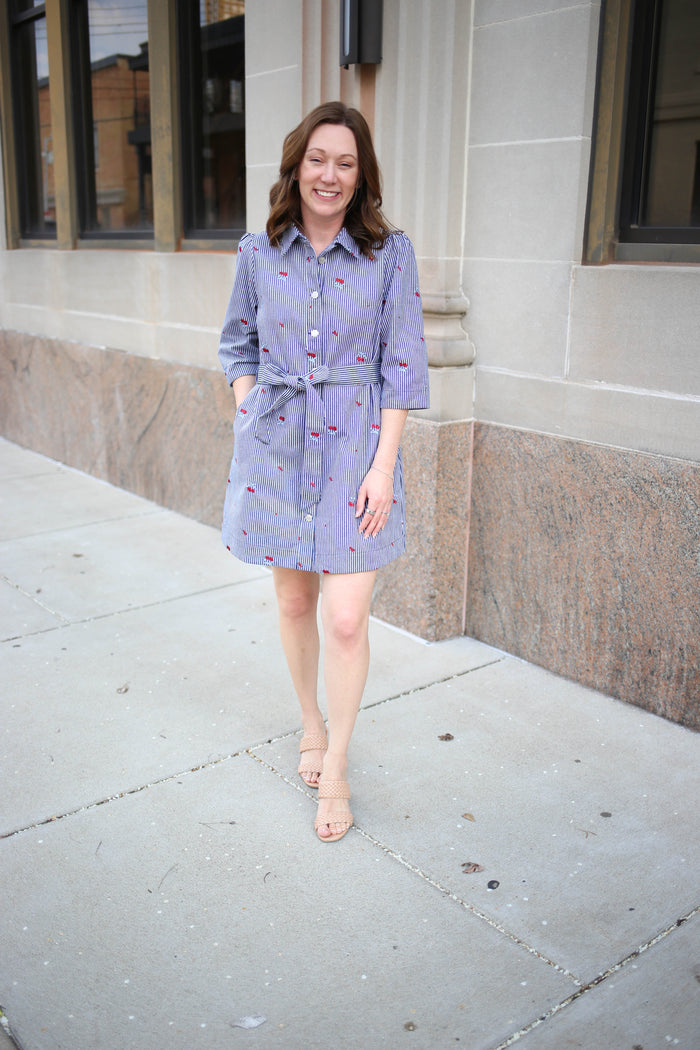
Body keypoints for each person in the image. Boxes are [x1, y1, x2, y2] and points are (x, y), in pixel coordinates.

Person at [218, 101, 429, 842]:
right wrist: (249, 410)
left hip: (356, 452)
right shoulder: (258, 250)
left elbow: (403, 367)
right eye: (318, 159)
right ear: (296, 166)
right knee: (295, 604)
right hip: (276, 446)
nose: (330, 175)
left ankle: (335, 765)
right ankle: (310, 721)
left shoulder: (389, 253)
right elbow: (236, 345)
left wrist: (384, 466)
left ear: (360, 173)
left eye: (345, 162)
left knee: (346, 616)